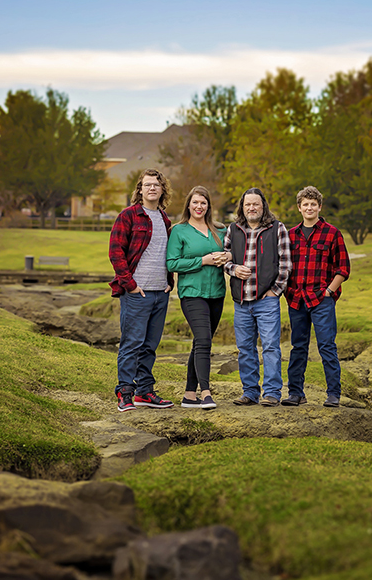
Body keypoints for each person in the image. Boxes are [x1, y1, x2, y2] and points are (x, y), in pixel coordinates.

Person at [108, 168, 175, 412]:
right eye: (147, 185)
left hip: (160, 293)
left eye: (156, 185)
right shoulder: (128, 216)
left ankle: (144, 391)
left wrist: (170, 281)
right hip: (138, 293)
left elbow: (166, 254)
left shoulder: (165, 219)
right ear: (140, 189)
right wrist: (131, 285)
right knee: (132, 343)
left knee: (150, 345)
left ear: (162, 189)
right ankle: (125, 392)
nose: (152, 188)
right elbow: (116, 253)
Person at [282, 185, 351, 408]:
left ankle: (333, 394)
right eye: (305, 204)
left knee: (327, 346)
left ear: (319, 207)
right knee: (298, 346)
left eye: (313, 204)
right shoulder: (290, 235)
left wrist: (329, 291)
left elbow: (343, 268)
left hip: (322, 299)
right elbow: (283, 266)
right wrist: (287, 291)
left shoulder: (332, 233)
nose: (309, 208)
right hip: (296, 299)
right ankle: (295, 393)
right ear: (299, 208)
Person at [224, 187, 291, 407]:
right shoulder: (233, 229)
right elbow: (225, 259)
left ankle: (272, 392)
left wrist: (275, 291)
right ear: (242, 207)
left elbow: (285, 264)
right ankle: (250, 392)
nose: (252, 208)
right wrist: (233, 269)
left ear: (263, 206)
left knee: (271, 346)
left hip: (266, 300)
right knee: (245, 348)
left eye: (256, 204)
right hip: (241, 301)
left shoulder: (277, 228)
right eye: (247, 204)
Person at [166, 185, 231, 410]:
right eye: (195, 202)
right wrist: (202, 261)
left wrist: (228, 255)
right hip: (192, 293)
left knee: (201, 342)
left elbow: (234, 252)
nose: (199, 206)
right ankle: (205, 393)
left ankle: (188, 395)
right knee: (204, 340)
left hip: (217, 293)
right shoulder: (179, 231)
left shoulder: (220, 230)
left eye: (203, 203)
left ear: (208, 206)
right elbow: (172, 263)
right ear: (189, 205)